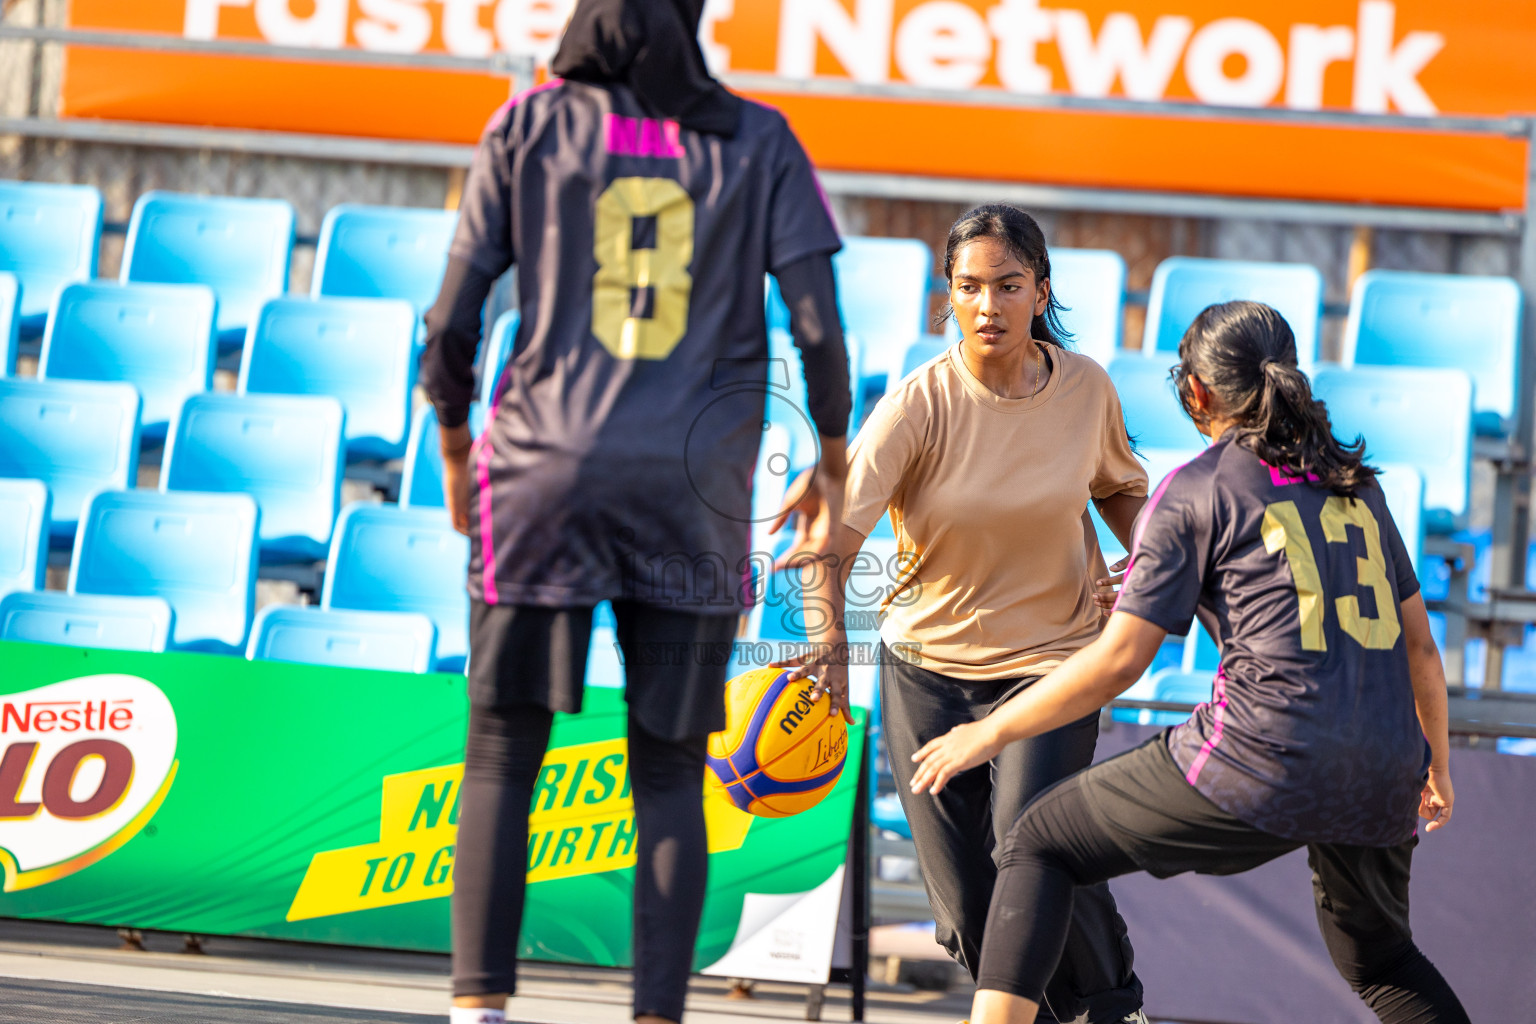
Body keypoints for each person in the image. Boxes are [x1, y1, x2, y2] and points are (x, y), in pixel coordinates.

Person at [417, 2, 852, 1022]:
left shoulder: (526, 124)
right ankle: (656, 1014)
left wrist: (450, 446)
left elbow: (452, 321)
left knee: (499, 753)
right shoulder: (760, 136)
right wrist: (831, 459)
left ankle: (478, 1008)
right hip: (689, 492)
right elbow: (821, 329)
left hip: (540, 475)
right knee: (667, 769)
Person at [909, 300, 1470, 1024]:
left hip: (1263, 755)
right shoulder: (1359, 487)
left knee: (1038, 841)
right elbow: (1419, 646)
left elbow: (1119, 664)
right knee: (1384, 962)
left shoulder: (1198, 486)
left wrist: (987, 733)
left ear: (1195, 392)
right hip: (1384, 761)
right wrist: (1438, 764)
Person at [775, 204, 1149, 1024]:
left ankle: (1113, 1008)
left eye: (1008, 286)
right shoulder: (917, 406)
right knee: (967, 910)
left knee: (1033, 849)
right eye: (970, 287)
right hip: (927, 679)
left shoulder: (1085, 389)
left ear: (1040, 291)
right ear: (947, 296)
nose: (989, 306)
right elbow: (824, 548)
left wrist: (1143, 558)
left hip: (1053, 665)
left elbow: (1122, 488)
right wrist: (831, 648)